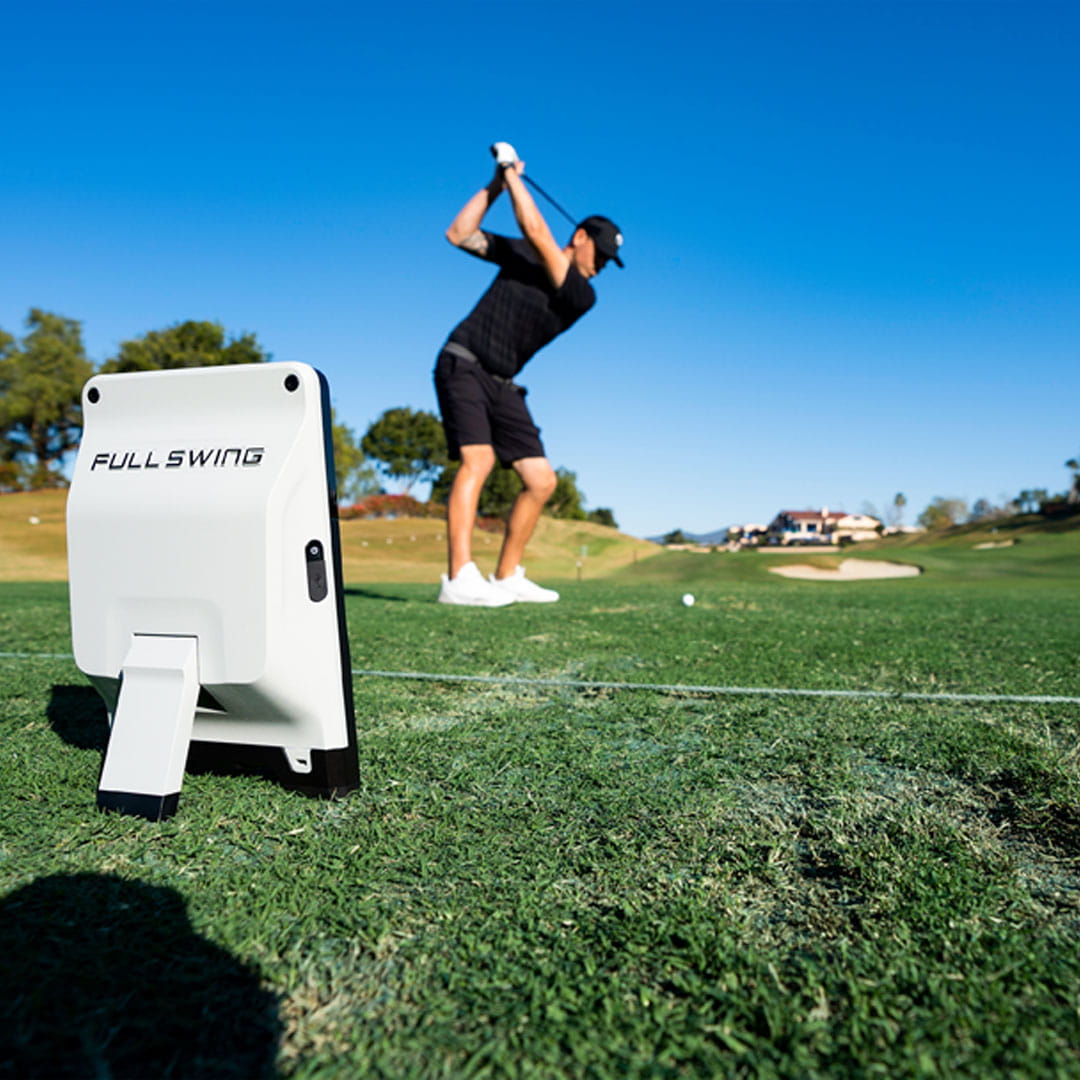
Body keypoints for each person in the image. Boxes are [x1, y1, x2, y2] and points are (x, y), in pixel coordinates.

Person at [433, 142, 624, 606]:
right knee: (477, 461)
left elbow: (536, 229)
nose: (599, 269)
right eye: (599, 256)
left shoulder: (580, 294)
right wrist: (497, 183)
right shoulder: (523, 253)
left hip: (503, 383)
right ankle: (458, 578)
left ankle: (506, 576)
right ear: (580, 237)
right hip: (463, 362)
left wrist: (511, 173)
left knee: (541, 481)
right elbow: (460, 234)